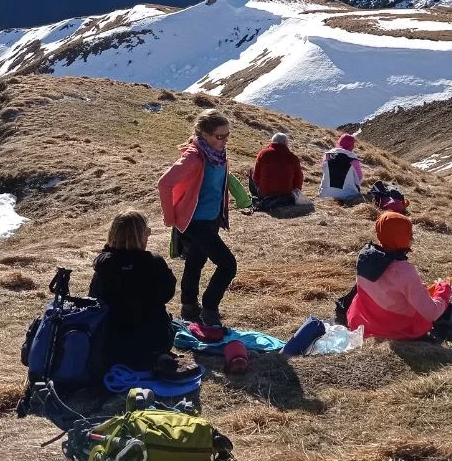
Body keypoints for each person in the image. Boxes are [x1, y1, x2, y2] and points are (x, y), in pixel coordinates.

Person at [157, 109, 238, 327]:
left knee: (195, 261)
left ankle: (189, 306)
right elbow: (165, 183)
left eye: (227, 135)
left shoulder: (218, 154)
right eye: (219, 136)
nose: (224, 140)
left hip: (211, 219)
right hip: (196, 221)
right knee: (228, 265)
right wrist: (169, 218)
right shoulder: (194, 156)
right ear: (203, 134)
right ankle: (210, 309)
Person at [89, 209, 177, 372]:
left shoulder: (103, 266)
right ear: (141, 235)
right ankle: (155, 356)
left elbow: (94, 300)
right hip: (153, 339)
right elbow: (167, 294)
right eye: (147, 232)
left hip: (110, 343)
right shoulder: (153, 262)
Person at [346, 211, 452, 340]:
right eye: (409, 234)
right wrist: (443, 290)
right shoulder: (406, 272)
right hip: (396, 330)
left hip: (361, 323)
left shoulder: (364, 257)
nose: (412, 238)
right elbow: (432, 313)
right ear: (400, 237)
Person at [250, 132, 303, 208]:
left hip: (266, 193)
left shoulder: (263, 154)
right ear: (285, 142)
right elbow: (299, 179)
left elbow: (255, 176)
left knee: (251, 171)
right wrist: (294, 193)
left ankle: (256, 197)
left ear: (271, 141)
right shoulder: (293, 157)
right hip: (286, 194)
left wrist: (260, 187)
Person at [319, 133, 363, 200]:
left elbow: (323, 170)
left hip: (324, 194)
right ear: (352, 146)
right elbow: (359, 179)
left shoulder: (328, 155)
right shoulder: (353, 160)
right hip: (348, 196)